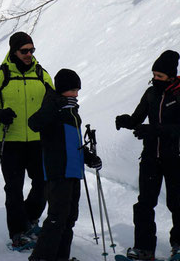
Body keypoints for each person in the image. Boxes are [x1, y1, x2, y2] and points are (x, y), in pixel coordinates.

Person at [0, 31, 53, 250]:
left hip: (38, 140)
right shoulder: (0, 75)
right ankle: (18, 232)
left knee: (43, 184)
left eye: (32, 50)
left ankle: (29, 220)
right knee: (14, 188)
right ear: (14, 51)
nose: (29, 54)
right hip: (10, 140)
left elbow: (53, 101)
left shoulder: (41, 73)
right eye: (24, 51)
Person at [115, 50, 180, 261]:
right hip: (150, 157)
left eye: (160, 76)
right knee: (144, 203)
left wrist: (154, 130)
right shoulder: (151, 93)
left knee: (177, 203)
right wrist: (126, 121)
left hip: (176, 157)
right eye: (154, 75)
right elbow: (138, 118)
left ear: (171, 76)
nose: (155, 79)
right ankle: (144, 248)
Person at [27, 69, 102, 261]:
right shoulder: (53, 104)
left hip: (73, 171)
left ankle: (61, 256)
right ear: (62, 90)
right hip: (58, 171)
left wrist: (88, 157)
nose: (76, 94)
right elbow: (34, 123)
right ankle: (41, 257)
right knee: (57, 217)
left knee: (69, 218)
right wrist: (56, 107)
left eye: (77, 90)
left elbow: (73, 142)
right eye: (73, 90)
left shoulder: (71, 110)